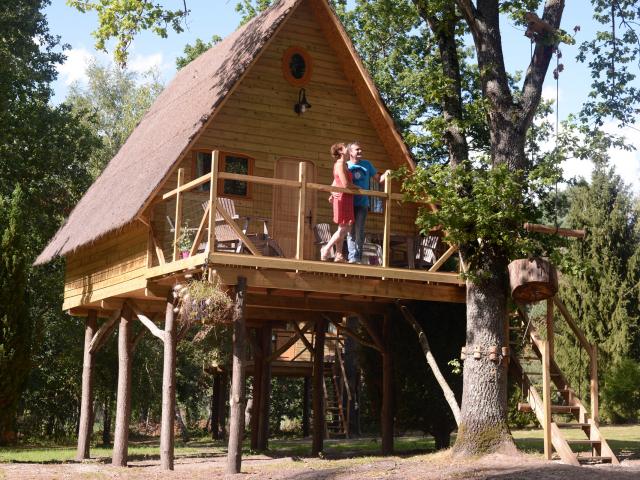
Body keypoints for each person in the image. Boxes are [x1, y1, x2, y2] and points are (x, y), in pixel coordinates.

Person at [346, 142, 390, 264]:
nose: (360, 151)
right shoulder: (346, 165)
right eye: (357, 150)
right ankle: (352, 257)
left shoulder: (367, 164)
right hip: (348, 202)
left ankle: (357, 258)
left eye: (361, 149)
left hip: (362, 203)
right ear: (350, 152)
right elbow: (339, 181)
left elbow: (379, 180)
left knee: (359, 230)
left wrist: (386, 173)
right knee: (350, 231)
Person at [321, 143, 356, 262]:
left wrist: (331, 191)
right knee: (345, 228)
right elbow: (345, 184)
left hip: (345, 197)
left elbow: (335, 182)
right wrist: (361, 190)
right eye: (345, 147)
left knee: (342, 227)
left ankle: (339, 255)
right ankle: (326, 249)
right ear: (341, 151)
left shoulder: (344, 164)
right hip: (343, 197)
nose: (347, 148)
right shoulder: (340, 164)